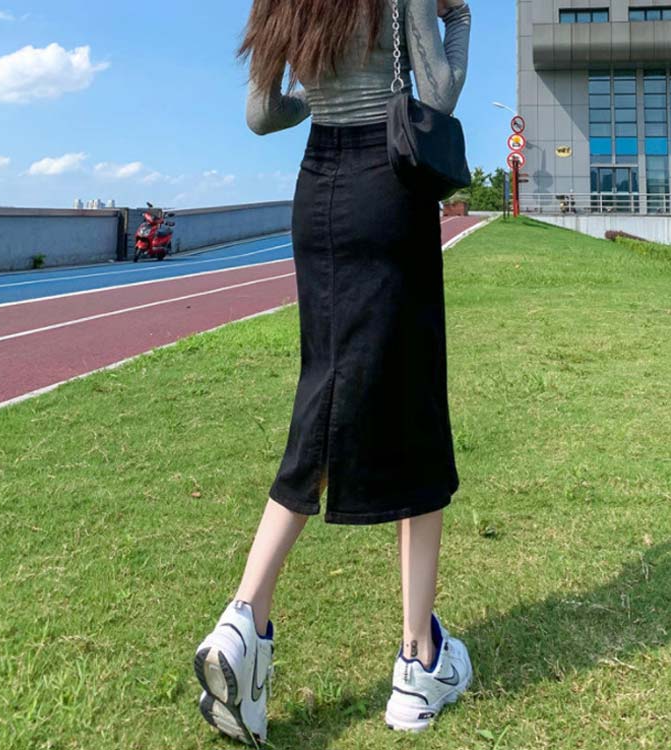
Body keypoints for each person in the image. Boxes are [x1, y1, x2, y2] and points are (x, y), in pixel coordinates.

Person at [193, 0, 473, 743]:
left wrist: (315, 99)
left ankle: (245, 619)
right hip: (389, 184)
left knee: (326, 386)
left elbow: (260, 114)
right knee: (413, 405)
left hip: (316, 189)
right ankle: (419, 662)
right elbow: (439, 93)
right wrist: (460, 18)